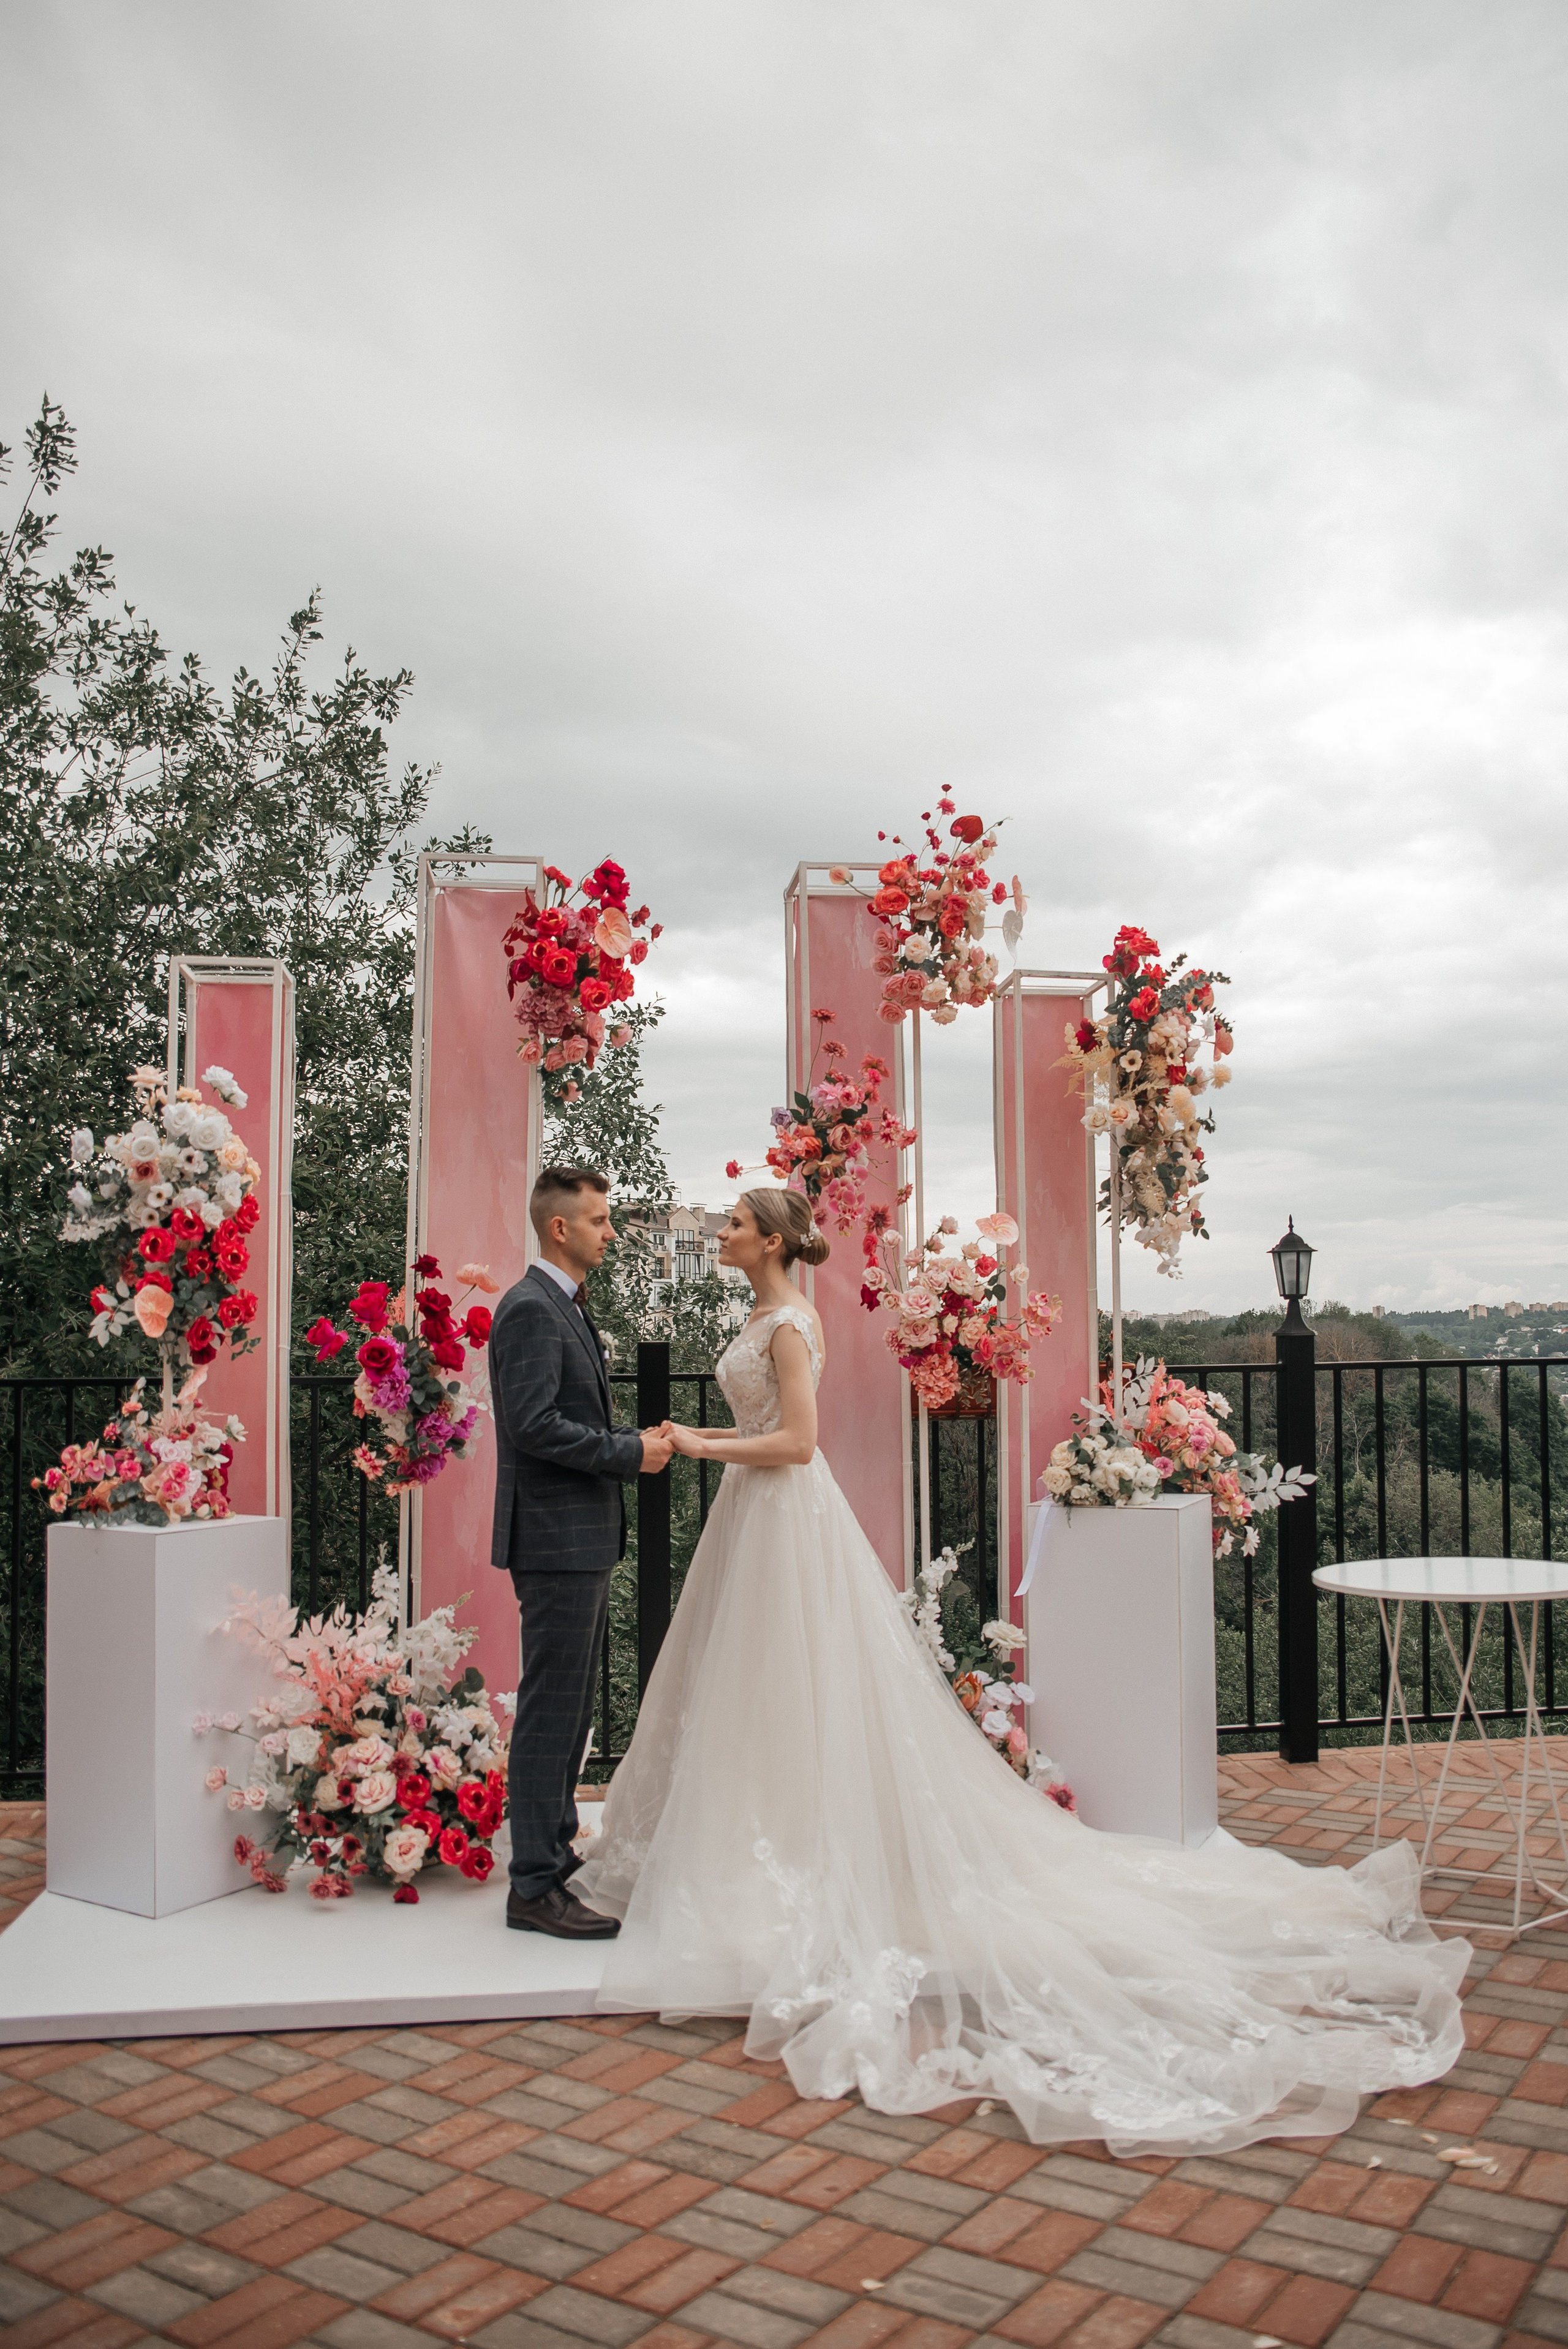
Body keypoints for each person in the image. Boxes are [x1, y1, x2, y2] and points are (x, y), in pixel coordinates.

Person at [574, 1188, 1467, 2155]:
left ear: (775, 1239)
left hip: (782, 1507)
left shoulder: (790, 1322)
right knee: (759, 1690)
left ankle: (792, 1859)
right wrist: (706, 1443)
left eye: (737, 1223)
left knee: (790, 1678)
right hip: (755, 1516)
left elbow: (798, 1442)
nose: (724, 1233)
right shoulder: (763, 1313)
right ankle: (760, 1840)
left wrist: (696, 1442)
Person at [489, 1164, 673, 1940]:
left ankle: (553, 1857)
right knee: (550, 1711)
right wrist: (628, 1452)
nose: (609, 1231)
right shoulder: (531, 1308)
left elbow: (559, 1416)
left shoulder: (559, 1304)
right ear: (560, 1227)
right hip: (555, 1541)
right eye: (599, 1219)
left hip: (576, 1539)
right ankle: (532, 1886)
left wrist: (629, 1442)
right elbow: (532, 1425)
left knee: (568, 1711)